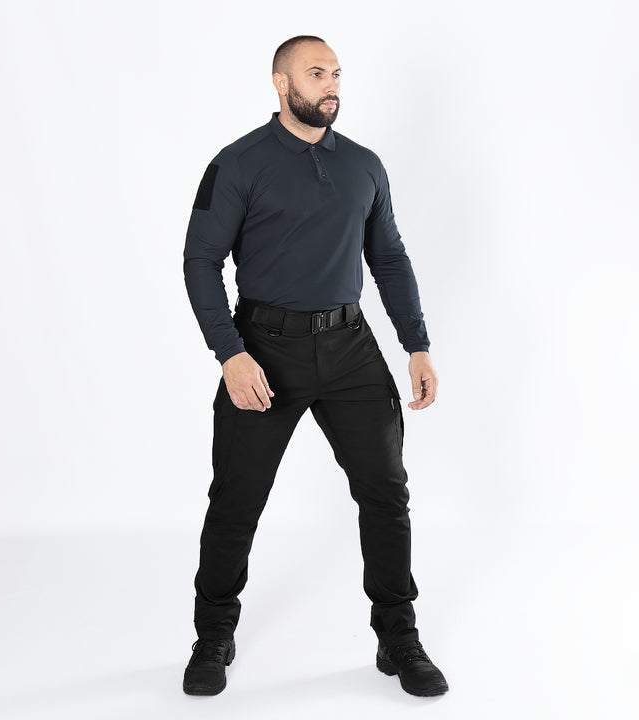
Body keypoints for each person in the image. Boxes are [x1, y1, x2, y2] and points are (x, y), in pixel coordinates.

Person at [181, 35, 448, 698]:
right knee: (237, 500)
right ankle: (213, 633)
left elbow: (389, 257)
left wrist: (416, 343)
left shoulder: (363, 166)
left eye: (336, 74)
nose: (331, 85)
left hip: (351, 348)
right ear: (281, 83)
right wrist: (230, 353)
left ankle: (398, 636)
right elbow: (200, 261)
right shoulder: (238, 164)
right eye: (316, 73)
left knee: (386, 494)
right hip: (263, 349)